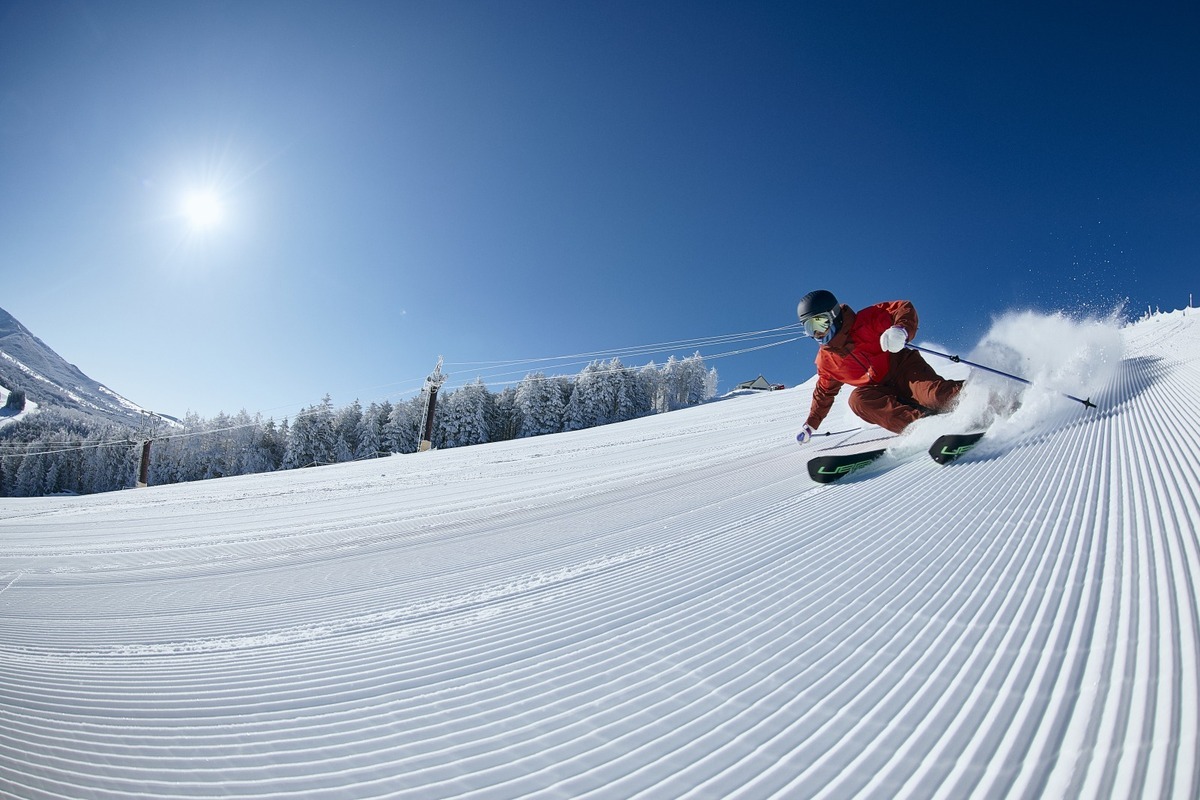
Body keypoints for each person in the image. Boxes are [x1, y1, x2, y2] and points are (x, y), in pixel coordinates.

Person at [794, 290, 963, 441]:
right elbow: (823, 393)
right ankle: (923, 427)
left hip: (904, 370)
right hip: (879, 390)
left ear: (834, 315)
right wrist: (810, 425)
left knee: (936, 397)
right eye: (810, 328)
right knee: (858, 400)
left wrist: (901, 330)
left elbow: (902, 307)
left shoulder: (866, 321)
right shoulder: (826, 361)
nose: (817, 333)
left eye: (820, 323)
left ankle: (980, 395)